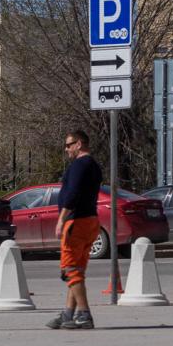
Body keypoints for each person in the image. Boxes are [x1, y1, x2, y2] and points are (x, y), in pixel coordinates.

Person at [46, 130, 102, 330]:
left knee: (70, 270)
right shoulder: (93, 165)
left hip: (76, 221)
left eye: (69, 145)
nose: (66, 149)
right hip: (91, 221)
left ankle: (84, 315)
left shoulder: (80, 164)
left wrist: (61, 219)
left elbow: (74, 192)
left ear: (79, 144)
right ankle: (68, 315)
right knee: (76, 271)